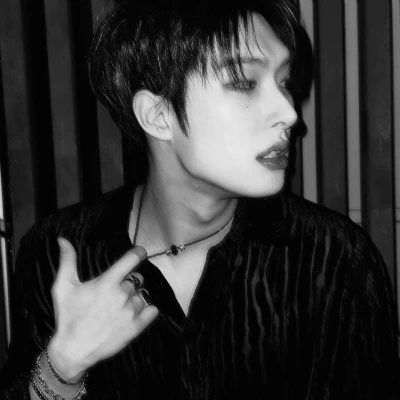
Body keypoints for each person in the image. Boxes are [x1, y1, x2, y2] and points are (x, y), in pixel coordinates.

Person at [0, 0, 399, 398]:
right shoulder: (60, 253)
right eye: (244, 82)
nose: (290, 113)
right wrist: (64, 365)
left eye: (283, 82)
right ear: (158, 115)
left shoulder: (332, 257)